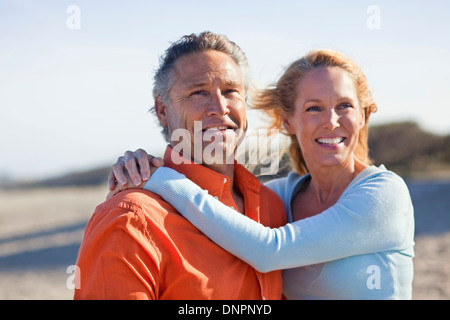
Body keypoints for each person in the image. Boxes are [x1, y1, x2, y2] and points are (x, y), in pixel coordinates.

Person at [109, 49, 415, 299]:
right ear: (287, 122)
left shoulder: (384, 193)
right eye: (313, 108)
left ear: (363, 115)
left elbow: (269, 250)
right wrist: (142, 168)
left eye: (344, 106)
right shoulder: (279, 198)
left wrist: (162, 178)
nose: (331, 121)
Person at [74, 31, 286, 300]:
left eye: (231, 91)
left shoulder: (272, 207)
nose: (220, 107)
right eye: (198, 92)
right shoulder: (129, 219)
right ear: (162, 110)